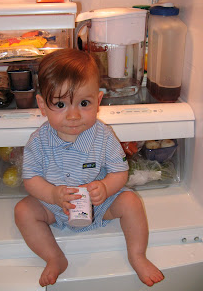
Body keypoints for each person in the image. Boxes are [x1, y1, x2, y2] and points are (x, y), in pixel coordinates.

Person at [14, 48, 164, 288]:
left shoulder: (103, 136)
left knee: (131, 203)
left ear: (98, 101)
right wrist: (52, 194)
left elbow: (119, 172)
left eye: (84, 103)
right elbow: (31, 179)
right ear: (42, 105)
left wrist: (105, 187)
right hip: (55, 206)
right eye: (60, 104)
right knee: (23, 211)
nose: (73, 115)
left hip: (100, 204)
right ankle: (54, 257)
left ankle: (137, 255)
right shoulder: (38, 140)